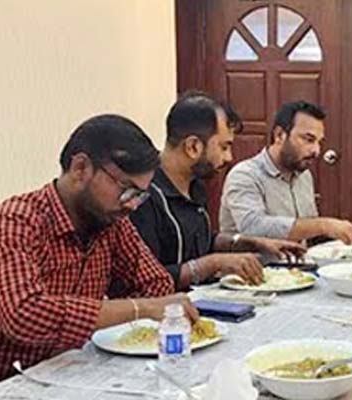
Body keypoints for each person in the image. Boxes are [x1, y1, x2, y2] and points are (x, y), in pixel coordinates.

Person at [0, 115, 196, 399]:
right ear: (80, 167)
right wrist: (139, 309)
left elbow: (155, 285)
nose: (132, 205)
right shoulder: (15, 221)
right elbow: (24, 315)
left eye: (140, 196)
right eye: (126, 190)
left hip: (64, 379)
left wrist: (147, 307)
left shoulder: (111, 223)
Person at [130, 92, 306, 289]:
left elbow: (201, 240)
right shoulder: (143, 196)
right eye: (224, 147)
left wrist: (253, 243)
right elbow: (146, 280)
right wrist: (213, 263)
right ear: (193, 146)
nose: (229, 157)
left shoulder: (194, 184)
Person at [219, 101, 352, 245]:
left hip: (301, 258)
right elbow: (253, 227)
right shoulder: (244, 175)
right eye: (309, 139)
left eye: (319, 142)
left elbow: (309, 230)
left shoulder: (304, 175)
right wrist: (325, 225)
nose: (316, 150)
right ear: (279, 135)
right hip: (257, 259)